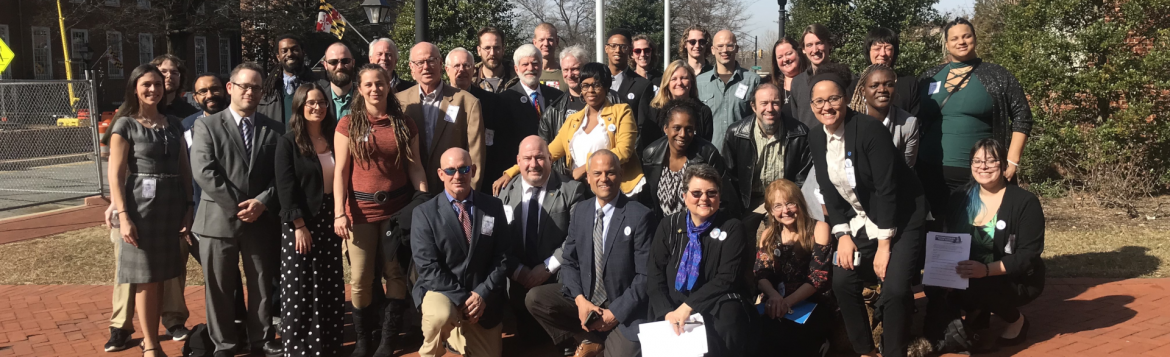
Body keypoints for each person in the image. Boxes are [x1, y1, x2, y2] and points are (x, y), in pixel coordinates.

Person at [806, 73, 927, 357]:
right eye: (819, 101)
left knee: (896, 289)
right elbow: (828, 190)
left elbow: (887, 189)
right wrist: (843, 234)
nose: (827, 107)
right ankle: (865, 351)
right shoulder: (815, 135)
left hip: (902, 216)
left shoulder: (870, 130)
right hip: (861, 218)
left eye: (834, 99)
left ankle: (894, 351)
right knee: (842, 280)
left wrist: (884, 247)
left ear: (846, 100)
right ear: (811, 106)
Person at [189, 62, 285, 357]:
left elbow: (280, 175)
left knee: (261, 284)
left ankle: (262, 338)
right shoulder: (206, 125)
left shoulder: (275, 129)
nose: (250, 92)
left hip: (260, 220)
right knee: (219, 287)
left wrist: (262, 202)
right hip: (218, 221)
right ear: (230, 88)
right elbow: (204, 171)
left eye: (256, 87)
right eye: (244, 86)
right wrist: (238, 206)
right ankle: (225, 344)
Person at [333, 64, 429, 357]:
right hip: (360, 212)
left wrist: (424, 201)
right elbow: (340, 172)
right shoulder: (348, 125)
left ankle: (388, 340)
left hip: (396, 212)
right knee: (361, 278)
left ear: (389, 85)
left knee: (396, 274)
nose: (375, 89)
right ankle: (364, 340)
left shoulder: (404, 124)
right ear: (359, 90)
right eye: (369, 85)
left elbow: (415, 167)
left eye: (380, 83)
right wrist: (339, 212)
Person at [525, 150, 653, 357]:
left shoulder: (640, 215)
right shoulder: (581, 211)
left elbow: (645, 277)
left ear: (620, 175)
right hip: (587, 298)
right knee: (536, 299)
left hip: (622, 305)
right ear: (588, 178)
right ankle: (588, 339)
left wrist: (615, 313)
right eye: (597, 173)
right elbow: (569, 261)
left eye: (610, 173)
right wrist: (580, 300)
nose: (604, 179)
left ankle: (603, 341)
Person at [106, 64, 194, 357]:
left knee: (162, 276)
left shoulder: (173, 124)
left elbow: (184, 168)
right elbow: (116, 176)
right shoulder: (125, 125)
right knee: (145, 278)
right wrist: (123, 216)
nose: (153, 90)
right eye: (146, 84)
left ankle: (151, 338)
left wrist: (188, 206)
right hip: (140, 211)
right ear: (135, 88)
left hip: (170, 207)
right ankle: (152, 346)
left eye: (157, 84)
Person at [917, 17, 1033, 221]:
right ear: (946, 44)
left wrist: (1012, 160)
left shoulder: (996, 76)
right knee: (935, 235)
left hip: (980, 173)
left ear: (975, 39)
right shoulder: (929, 77)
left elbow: (1022, 116)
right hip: (929, 171)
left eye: (966, 36)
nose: (961, 42)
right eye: (954, 38)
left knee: (977, 233)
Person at [934, 138, 1045, 350]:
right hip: (968, 272)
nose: (982, 166)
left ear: (1004, 165)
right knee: (936, 288)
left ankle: (1016, 320)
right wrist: (944, 273)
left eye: (991, 161)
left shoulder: (1025, 202)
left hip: (1012, 277)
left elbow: (1028, 255)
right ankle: (977, 311)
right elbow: (947, 236)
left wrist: (985, 270)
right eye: (976, 161)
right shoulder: (960, 197)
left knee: (981, 283)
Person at [411, 148, 510, 357]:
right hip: (442, 292)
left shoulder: (493, 206)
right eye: (450, 170)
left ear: (473, 170)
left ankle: (458, 334)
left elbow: (502, 257)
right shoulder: (424, 214)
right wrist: (463, 299)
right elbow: (428, 267)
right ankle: (431, 350)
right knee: (440, 316)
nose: (458, 176)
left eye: (464, 169)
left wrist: (482, 294)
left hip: (481, 298)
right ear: (440, 174)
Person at [492, 62, 644, 199]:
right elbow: (548, 153)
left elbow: (624, 151)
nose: (590, 90)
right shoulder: (574, 120)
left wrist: (585, 168)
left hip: (616, 189)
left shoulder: (621, 111)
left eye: (596, 85)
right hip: (583, 191)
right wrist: (511, 172)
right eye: (585, 85)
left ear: (605, 87)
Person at [647, 164, 754, 357]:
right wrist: (667, 312)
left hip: (715, 303)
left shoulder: (732, 227)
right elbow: (655, 273)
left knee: (730, 314)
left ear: (719, 197)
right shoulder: (668, 225)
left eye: (711, 193)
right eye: (696, 193)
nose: (704, 198)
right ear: (684, 196)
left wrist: (689, 307)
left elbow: (728, 278)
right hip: (672, 305)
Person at [273, 83, 345, 356]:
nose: (318, 107)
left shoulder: (335, 137)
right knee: (301, 288)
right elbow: (285, 187)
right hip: (302, 221)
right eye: (311, 103)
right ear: (300, 107)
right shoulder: (288, 142)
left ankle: (329, 344)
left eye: (322, 102)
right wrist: (298, 226)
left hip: (330, 217)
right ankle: (299, 347)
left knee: (329, 283)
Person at [497, 136, 588, 343]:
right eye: (527, 158)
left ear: (550, 159)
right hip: (519, 276)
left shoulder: (572, 190)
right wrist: (519, 271)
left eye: (539, 158)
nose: (533, 164)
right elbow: (499, 240)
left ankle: (575, 336)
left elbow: (576, 236)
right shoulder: (505, 193)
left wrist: (547, 267)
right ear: (518, 161)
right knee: (530, 340)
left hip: (557, 273)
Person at [749, 179, 834, 357]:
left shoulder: (819, 229)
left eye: (790, 203)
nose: (785, 211)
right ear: (771, 210)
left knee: (793, 339)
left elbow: (817, 278)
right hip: (775, 302)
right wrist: (775, 297)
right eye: (777, 206)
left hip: (810, 302)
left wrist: (786, 303)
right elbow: (761, 272)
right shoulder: (768, 235)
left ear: (800, 203)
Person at [397, 42, 486, 192]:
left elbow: (476, 154)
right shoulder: (399, 102)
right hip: (409, 193)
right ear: (411, 68)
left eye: (431, 61)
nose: (426, 67)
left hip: (453, 191)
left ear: (440, 64)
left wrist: (469, 196)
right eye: (420, 63)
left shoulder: (467, 102)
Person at [721, 83, 812, 214]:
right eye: (764, 103)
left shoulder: (800, 134)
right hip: (748, 204)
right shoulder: (736, 133)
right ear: (753, 106)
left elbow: (802, 179)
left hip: (786, 204)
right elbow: (729, 178)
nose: (770, 109)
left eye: (775, 103)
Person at [639, 99, 732, 217]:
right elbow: (647, 200)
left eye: (689, 129)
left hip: (699, 226)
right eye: (677, 128)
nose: (682, 134)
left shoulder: (708, 154)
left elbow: (723, 199)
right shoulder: (651, 154)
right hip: (662, 227)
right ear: (665, 128)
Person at [493, 44, 565, 189]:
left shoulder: (557, 96)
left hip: (555, 174)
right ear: (516, 69)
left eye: (535, 63)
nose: (530, 68)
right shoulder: (504, 100)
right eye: (525, 64)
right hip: (520, 174)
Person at [445, 47, 513, 194]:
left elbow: (502, 144)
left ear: (474, 70)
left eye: (467, 65)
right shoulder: (439, 102)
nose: (462, 70)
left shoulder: (492, 102)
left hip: (484, 180)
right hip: (447, 178)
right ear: (447, 69)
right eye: (457, 66)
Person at [697, 29, 762, 149]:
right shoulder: (699, 82)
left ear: (736, 49)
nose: (724, 50)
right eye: (720, 46)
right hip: (710, 155)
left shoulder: (753, 81)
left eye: (729, 46)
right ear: (712, 50)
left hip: (742, 154)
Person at [849, 64, 920, 167]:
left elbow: (906, 168)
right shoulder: (848, 118)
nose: (882, 90)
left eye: (889, 84)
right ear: (863, 91)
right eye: (874, 85)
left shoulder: (908, 124)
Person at [790, 24, 852, 130]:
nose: (815, 50)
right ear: (803, 49)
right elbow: (796, 123)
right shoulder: (797, 83)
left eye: (819, 43)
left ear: (829, 45)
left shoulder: (845, 78)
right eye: (809, 45)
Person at [644, 60, 715, 148]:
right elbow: (649, 144)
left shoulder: (703, 112)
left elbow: (706, 146)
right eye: (674, 79)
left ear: (691, 81)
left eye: (684, 78)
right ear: (667, 83)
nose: (679, 83)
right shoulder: (655, 110)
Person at [850, 27, 920, 117]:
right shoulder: (855, 86)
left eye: (888, 48)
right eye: (877, 48)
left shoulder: (909, 84)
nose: (883, 53)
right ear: (868, 52)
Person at [603, 29, 654, 138]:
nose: (618, 50)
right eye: (613, 46)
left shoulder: (642, 85)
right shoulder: (597, 81)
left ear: (630, 51)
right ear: (606, 48)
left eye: (623, 46)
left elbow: (643, 127)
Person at [258, 34, 317, 125]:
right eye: (284, 51)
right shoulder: (267, 91)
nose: (290, 54)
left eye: (295, 50)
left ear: (303, 52)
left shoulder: (319, 86)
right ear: (278, 57)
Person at [318, 42, 358, 120]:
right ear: (325, 65)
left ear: (353, 63)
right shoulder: (317, 97)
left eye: (345, 61)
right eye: (333, 62)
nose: (340, 67)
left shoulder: (366, 96)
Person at [475, 27, 519, 93]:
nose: (492, 53)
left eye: (497, 48)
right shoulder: (470, 81)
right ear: (479, 51)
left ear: (503, 49)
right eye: (487, 48)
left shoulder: (519, 78)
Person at [768, 37, 807, 108]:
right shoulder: (769, 85)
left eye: (789, 54)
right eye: (780, 57)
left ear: (798, 53)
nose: (785, 59)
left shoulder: (812, 80)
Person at [534, 22, 569, 92]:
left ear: (557, 41)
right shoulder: (528, 73)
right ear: (535, 43)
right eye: (541, 40)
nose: (546, 44)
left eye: (550, 40)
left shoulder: (568, 74)